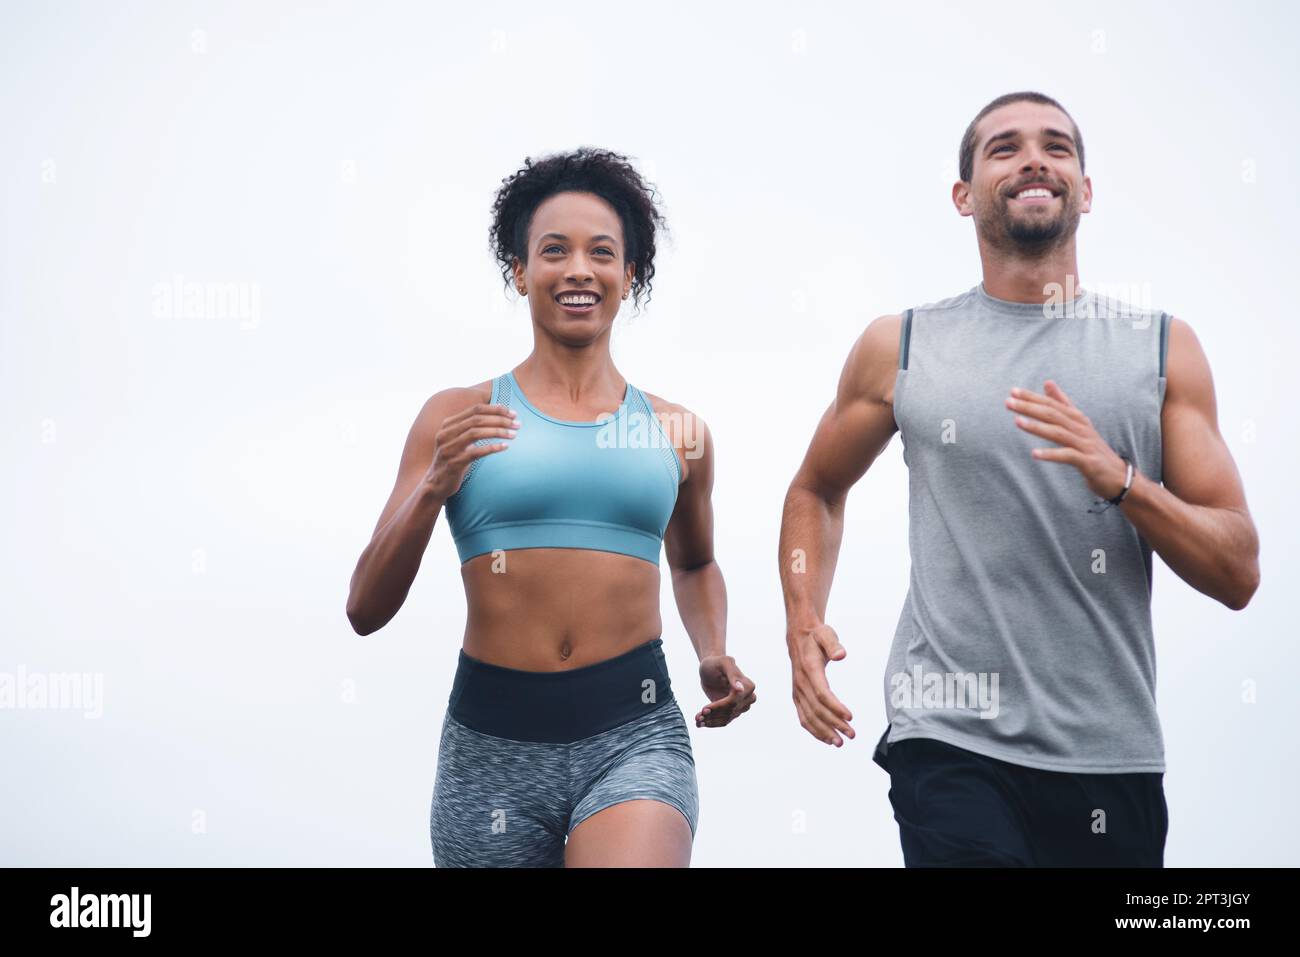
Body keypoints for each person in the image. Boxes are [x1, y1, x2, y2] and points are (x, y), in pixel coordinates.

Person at [778, 92, 1260, 867]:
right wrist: (803, 619)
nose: (1035, 158)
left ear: (1086, 189)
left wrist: (1123, 481)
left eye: (1057, 147)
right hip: (949, 735)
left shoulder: (1163, 350)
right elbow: (815, 489)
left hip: (1111, 756)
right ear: (963, 195)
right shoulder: (900, 345)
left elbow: (1237, 568)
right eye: (1004, 147)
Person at [347, 147, 756, 867]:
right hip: (491, 744)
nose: (578, 270)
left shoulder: (676, 431)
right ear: (520, 270)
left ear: (629, 277)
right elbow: (364, 607)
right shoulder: (458, 414)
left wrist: (713, 650)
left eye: (602, 252)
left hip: (634, 732)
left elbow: (695, 564)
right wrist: (434, 486)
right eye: (553, 250)